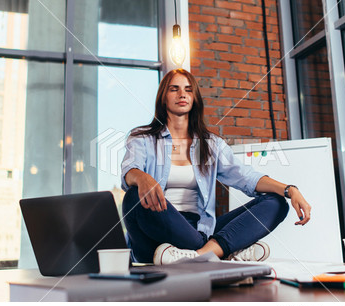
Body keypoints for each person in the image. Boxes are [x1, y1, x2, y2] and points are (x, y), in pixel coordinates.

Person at [120, 68, 311, 265]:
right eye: (174, 89)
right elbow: (130, 170)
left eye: (188, 89)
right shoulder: (142, 138)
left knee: (276, 202)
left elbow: (247, 177)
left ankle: (200, 254)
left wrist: (290, 190)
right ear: (163, 98)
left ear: (194, 98)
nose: (182, 94)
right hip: (158, 227)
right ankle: (223, 251)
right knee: (133, 197)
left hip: (199, 230)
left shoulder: (211, 144)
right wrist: (141, 178)